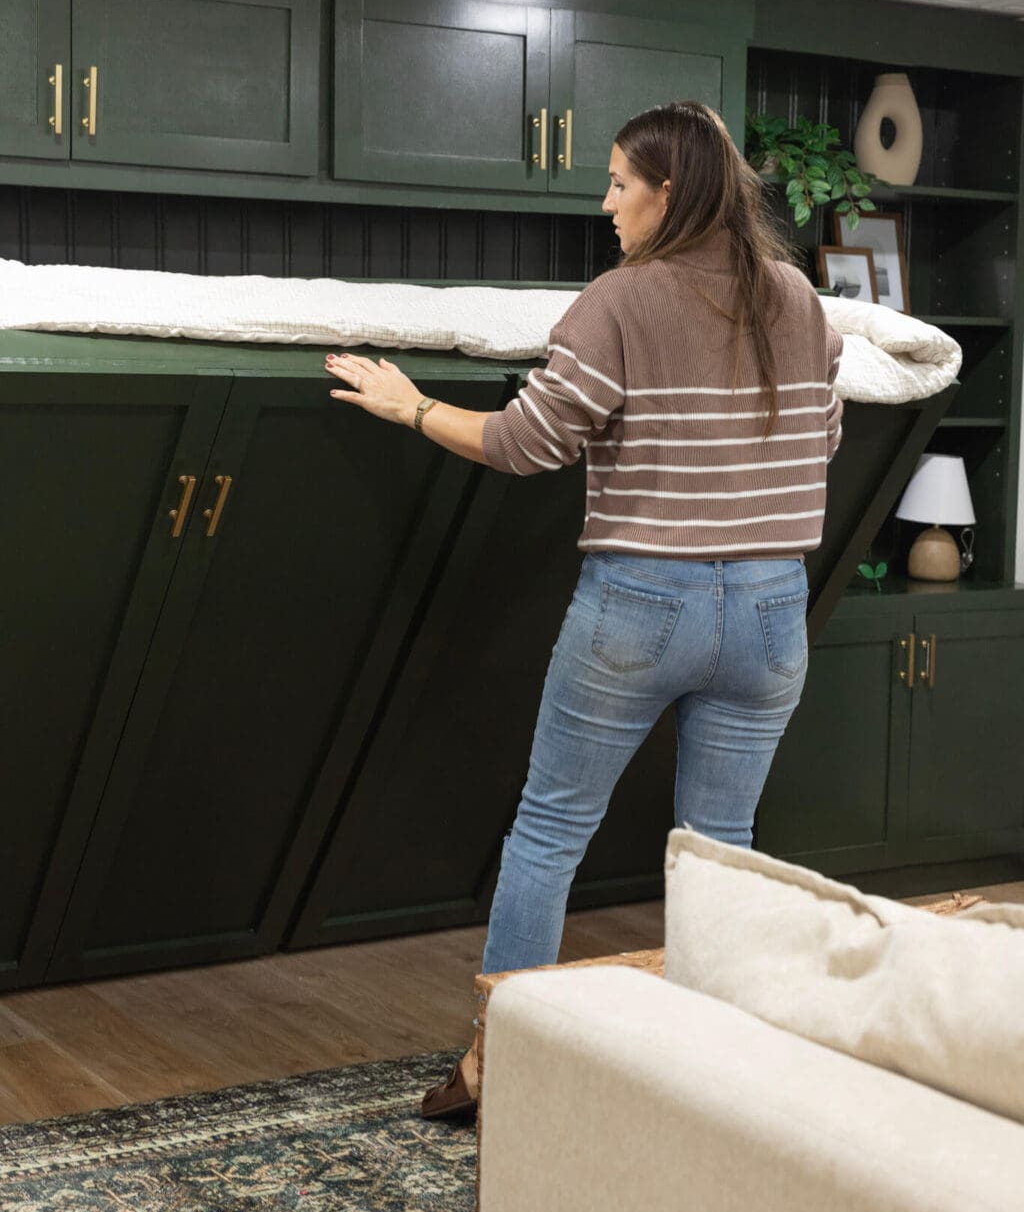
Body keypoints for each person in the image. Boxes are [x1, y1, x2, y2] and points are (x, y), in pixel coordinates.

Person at [324, 101, 843, 1121]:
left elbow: (528, 445)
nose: (605, 205)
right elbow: (816, 442)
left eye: (618, 184)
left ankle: (494, 1065)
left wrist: (411, 406)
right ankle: (709, 1071)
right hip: (773, 604)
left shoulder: (621, 301)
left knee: (549, 833)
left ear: (668, 193)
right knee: (721, 846)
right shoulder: (796, 296)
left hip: (643, 601)